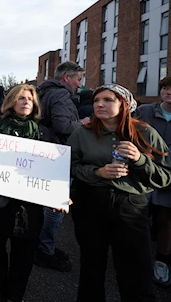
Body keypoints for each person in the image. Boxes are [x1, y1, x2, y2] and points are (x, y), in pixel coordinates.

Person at [68, 84, 171, 301]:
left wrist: (140, 159)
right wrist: (98, 172)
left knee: (136, 272)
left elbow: (165, 177)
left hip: (131, 207)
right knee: (91, 268)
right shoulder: (82, 134)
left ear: (124, 105)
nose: (99, 104)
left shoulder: (145, 133)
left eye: (107, 100)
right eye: (96, 100)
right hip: (90, 203)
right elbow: (70, 167)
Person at [0, 84, 57, 302]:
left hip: (28, 206)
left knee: (24, 253)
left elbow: (53, 168)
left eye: (30, 98)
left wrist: (58, 192)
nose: (26, 101)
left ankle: (15, 293)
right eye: (21, 98)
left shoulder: (44, 133)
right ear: (11, 101)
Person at [34, 61, 89, 273]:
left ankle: (43, 246)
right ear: (67, 77)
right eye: (78, 79)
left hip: (46, 152)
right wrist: (83, 122)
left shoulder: (45, 91)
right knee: (55, 207)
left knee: (47, 204)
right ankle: (44, 250)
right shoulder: (61, 95)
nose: (79, 85)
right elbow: (63, 125)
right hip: (57, 154)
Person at [135, 76, 171, 287]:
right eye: (165, 88)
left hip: (169, 174)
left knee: (166, 219)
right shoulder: (146, 111)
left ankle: (162, 260)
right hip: (145, 172)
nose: (168, 92)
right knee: (139, 216)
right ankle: (137, 258)